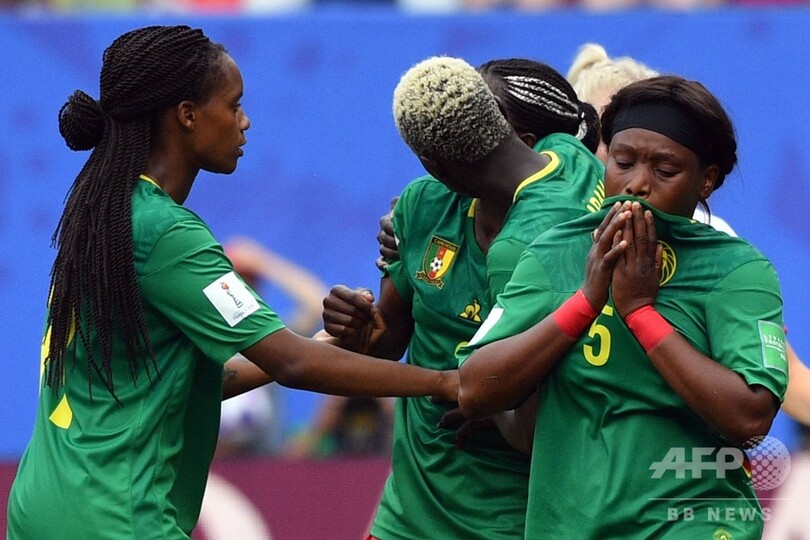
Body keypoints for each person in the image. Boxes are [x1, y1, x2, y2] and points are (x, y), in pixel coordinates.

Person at [6, 25, 457, 540]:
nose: (245, 121)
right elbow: (290, 363)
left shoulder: (103, 215)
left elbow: (198, 382)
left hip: (41, 504)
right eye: (234, 104)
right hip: (114, 516)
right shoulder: (166, 232)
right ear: (187, 115)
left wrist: (327, 343)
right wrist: (447, 382)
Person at [456, 75, 788, 538]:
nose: (636, 185)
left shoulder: (736, 270)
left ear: (707, 180)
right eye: (623, 162)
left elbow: (750, 419)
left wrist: (640, 314)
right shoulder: (555, 251)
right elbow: (474, 391)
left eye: (664, 170)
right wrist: (586, 301)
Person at [322, 55, 604, 539]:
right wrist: (359, 328)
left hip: (521, 521)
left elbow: (527, 425)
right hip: (407, 521)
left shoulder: (535, 241)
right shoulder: (424, 204)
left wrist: (487, 397)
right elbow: (386, 341)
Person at [567, 41, 810, 427]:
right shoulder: (549, 238)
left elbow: (782, 382)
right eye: (614, 141)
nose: (638, 144)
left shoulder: (717, 243)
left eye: (659, 147)